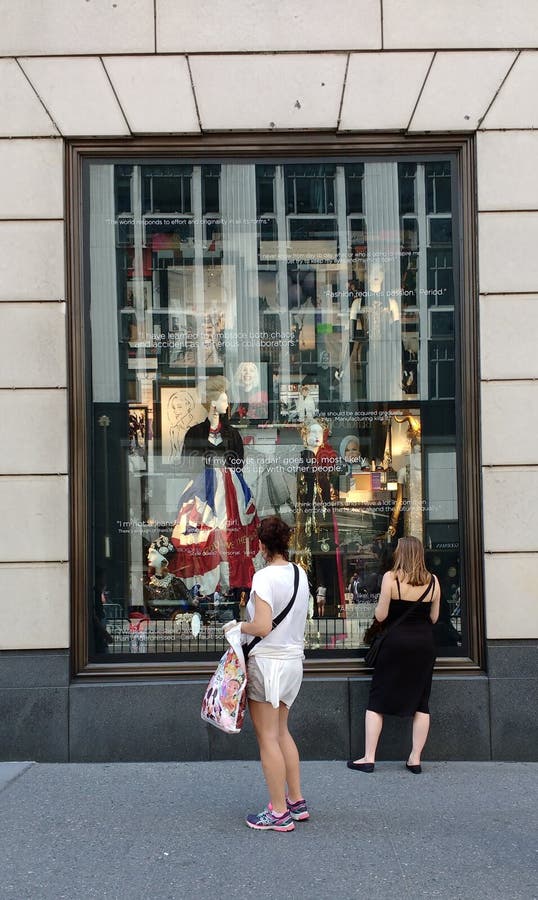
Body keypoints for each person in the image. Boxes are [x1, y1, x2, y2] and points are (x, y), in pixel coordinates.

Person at [230, 516, 310, 831]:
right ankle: (296, 801)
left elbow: (261, 626)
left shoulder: (263, 577)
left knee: (267, 738)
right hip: (293, 664)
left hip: (266, 665)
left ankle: (278, 812)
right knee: (282, 732)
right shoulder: (300, 574)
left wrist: (238, 626)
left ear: (262, 546)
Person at [347, 536, 440, 774]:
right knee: (421, 702)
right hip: (424, 645)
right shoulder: (434, 582)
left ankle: (369, 758)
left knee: (378, 699)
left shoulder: (390, 578)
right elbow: (434, 618)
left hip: (395, 644)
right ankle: (415, 759)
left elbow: (380, 615)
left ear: (401, 553)